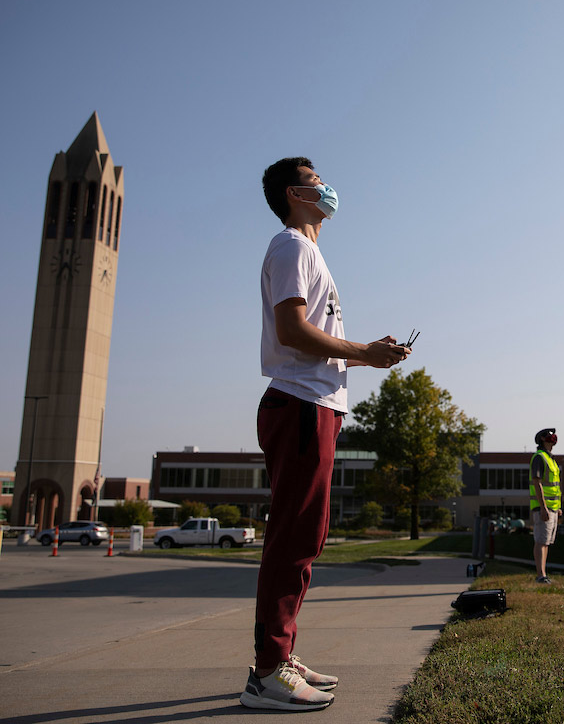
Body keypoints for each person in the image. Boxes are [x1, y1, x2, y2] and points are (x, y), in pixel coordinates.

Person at [241, 157, 411, 712]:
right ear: (295, 193)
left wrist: (368, 356)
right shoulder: (290, 245)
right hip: (299, 406)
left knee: (306, 537)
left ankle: (281, 657)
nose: (329, 188)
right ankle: (267, 674)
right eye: (318, 181)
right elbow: (291, 331)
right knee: (292, 538)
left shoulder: (310, 253)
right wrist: (363, 352)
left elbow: (314, 338)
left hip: (316, 406)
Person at [528, 427, 561, 584]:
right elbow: (537, 483)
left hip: (552, 508)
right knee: (541, 541)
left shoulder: (551, 459)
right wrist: (543, 508)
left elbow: (554, 487)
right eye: (549, 435)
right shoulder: (539, 458)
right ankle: (540, 575)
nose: (553, 438)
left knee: (546, 542)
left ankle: (543, 574)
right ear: (542, 439)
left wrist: (557, 507)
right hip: (544, 508)